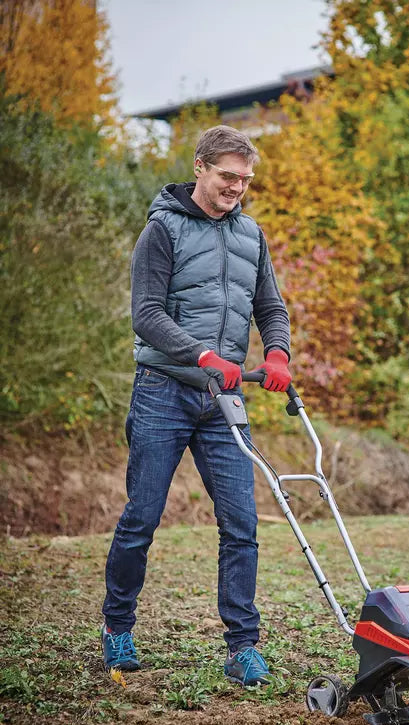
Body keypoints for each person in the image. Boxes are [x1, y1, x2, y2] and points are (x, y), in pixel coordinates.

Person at [101, 125, 291, 686]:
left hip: (224, 399)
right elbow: (147, 315)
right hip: (164, 391)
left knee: (241, 524)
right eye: (228, 176)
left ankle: (242, 646)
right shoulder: (162, 229)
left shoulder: (251, 234)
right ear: (201, 167)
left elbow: (270, 307)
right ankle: (117, 629)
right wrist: (203, 353)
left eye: (246, 180)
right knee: (142, 518)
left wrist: (276, 353)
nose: (237, 188)